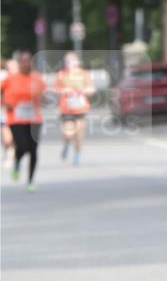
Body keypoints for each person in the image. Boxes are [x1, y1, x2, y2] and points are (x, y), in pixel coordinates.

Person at [0, 51, 47, 192]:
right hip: (16, 119)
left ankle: (31, 181)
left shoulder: (37, 78)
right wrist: (4, 102)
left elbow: (44, 95)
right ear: (19, 63)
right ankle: (17, 161)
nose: (26, 64)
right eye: (23, 61)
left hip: (34, 119)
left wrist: (45, 100)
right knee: (22, 146)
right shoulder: (10, 79)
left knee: (33, 149)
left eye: (28, 61)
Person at [54, 52, 96, 166]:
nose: (71, 64)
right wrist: (64, 90)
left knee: (79, 133)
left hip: (80, 108)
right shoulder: (61, 74)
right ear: (65, 63)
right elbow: (56, 89)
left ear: (77, 62)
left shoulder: (84, 74)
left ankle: (77, 154)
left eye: (73, 61)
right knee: (68, 133)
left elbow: (91, 89)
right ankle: (66, 143)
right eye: (68, 61)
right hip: (66, 108)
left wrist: (84, 91)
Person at [1, 57, 18, 168]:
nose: (11, 68)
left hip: (19, 113)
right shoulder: (3, 77)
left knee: (15, 136)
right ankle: (8, 151)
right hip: (5, 111)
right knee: (6, 138)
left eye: (13, 66)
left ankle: (11, 154)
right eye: (9, 66)